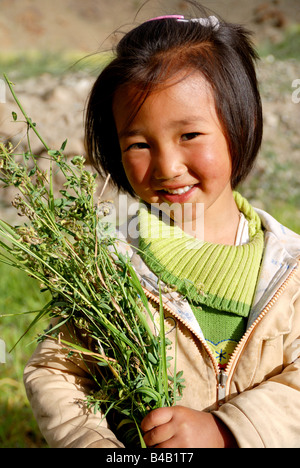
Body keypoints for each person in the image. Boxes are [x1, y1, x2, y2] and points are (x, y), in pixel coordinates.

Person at [24, 5, 300, 448]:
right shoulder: (108, 266)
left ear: (241, 124)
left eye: (189, 135)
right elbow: (57, 372)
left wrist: (226, 429)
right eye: (138, 143)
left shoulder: (290, 271)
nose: (168, 167)